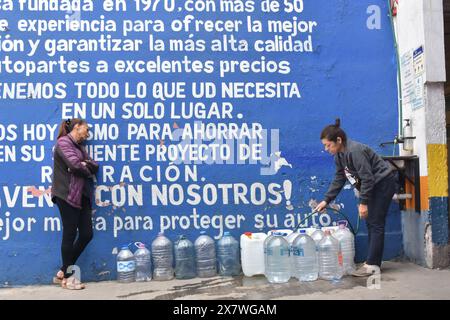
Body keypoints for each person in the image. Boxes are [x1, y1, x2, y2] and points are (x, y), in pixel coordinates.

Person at [315, 119, 397, 277]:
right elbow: (339, 178)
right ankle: (372, 263)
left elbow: (367, 178)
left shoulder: (355, 151)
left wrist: (363, 203)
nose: (326, 149)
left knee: (376, 223)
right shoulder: (339, 156)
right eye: (324, 145)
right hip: (374, 185)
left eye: (328, 145)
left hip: (383, 183)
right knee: (372, 223)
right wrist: (326, 200)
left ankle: (372, 265)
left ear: (338, 140)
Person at [51, 118, 99, 289]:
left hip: (82, 195)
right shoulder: (63, 143)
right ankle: (69, 279)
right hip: (67, 194)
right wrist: (83, 166)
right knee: (70, 234)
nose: (88, 133)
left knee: (87, 234)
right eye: (86, 129)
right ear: (77, 127)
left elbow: (95, 165)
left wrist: (84, 165)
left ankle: (63, 271)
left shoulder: (79, 148)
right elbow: (75, 165)